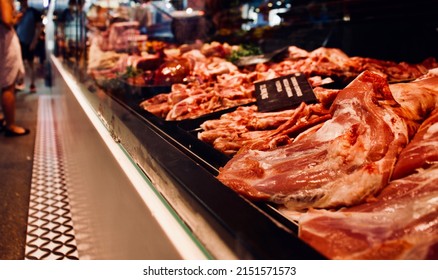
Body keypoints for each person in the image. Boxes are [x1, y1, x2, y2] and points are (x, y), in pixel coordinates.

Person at [0, 0, 30, 137]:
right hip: (5, 42)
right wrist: (16, 17)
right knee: (8, 85)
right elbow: (7, 20)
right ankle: (10, 125)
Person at [16, 0, 43, 93]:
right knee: (20, 64)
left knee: (31, 64)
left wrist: (34, 41)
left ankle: (32, 84)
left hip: (29, 42)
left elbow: (38, 27)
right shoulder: (17, 12)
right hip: (20, 42)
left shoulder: (33, 12)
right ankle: (20, 82)